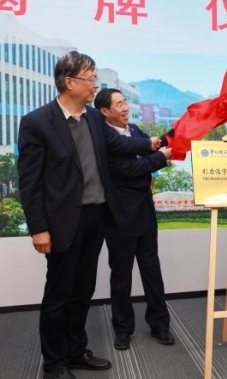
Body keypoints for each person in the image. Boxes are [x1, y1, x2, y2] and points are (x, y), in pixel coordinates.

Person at [17, 51, 161, 379]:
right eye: (91, 78)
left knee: (83, 291)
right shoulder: (37, 123)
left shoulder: (94, 118)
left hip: (97, 218)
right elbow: (30, 182)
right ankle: (54, 364)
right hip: (62, 223)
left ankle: (76, 351)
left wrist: (155, 145)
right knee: (59, 295)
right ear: (70, 82)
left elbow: (119, 146)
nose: (96, 84)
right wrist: (38, 228)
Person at [93, 88, 176, 350]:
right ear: (104, 111)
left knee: (152, 271)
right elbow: (130, 169)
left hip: (144, 214)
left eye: (125, 102)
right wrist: (160, 159)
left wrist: (173, 137)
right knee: (121, 277)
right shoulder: (104, 139)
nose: (126, 107)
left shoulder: (136, 130)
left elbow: (149, 156)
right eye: (119, 104)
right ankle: (122, 329)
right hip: (119, 218)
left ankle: (160, 324)